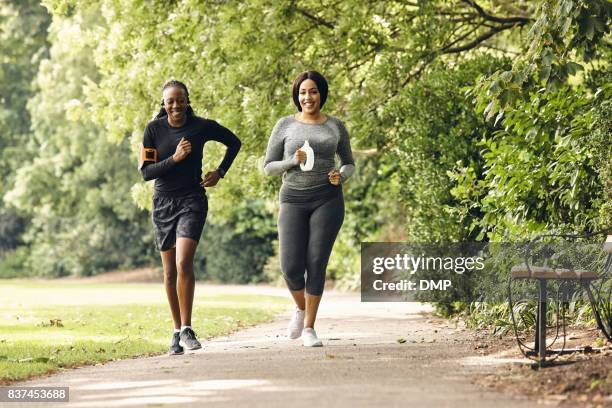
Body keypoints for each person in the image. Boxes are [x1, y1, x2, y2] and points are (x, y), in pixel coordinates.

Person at [139, 80, 241, 355]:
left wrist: (219, 172)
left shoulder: (201, 127)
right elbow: (146, 173)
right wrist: (175, 158)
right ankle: (175, 332)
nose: (175, 105)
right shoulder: (153, 130)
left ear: (187, 100)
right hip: (162, 204)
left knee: (184, 261)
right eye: (170, 101)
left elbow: (234, 142)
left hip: (192, 200)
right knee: (169, 271)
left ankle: (187, 327)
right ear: (164, 104)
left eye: (179, 99)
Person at [263, 71, 355, 347]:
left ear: (321, 94)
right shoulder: (285, 125)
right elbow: (268, 167)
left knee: (316, 262)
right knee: (290, 267)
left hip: (327, 199)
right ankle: (300, 309)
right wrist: (291, 161)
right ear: (297, 96)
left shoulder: (335, 126)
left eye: (313, 91)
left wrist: (342, 175)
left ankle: (309, 328)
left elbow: (348, 162)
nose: (307, 97)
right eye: (303, 92)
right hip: (292, 198)